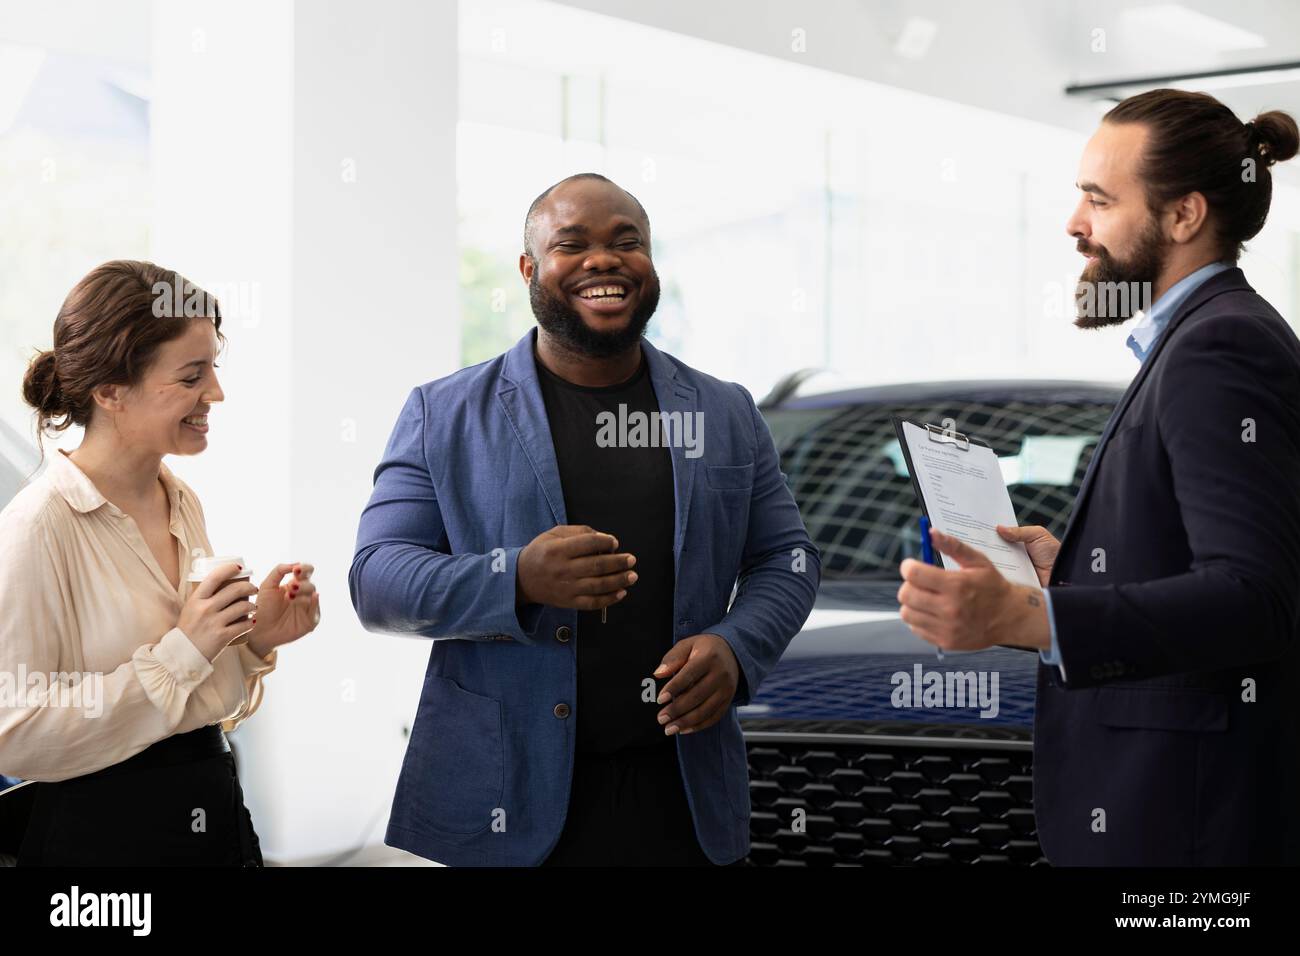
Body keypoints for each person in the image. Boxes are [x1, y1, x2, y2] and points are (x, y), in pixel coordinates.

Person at [350, 173, 819, 866]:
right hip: (506, 802)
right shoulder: (442, 413)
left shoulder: (723, 412)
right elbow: (378, 581)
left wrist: (737, 645)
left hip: (683, 798)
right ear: (529, 268)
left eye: (626, 242)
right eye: (573, 244)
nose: (604, 259)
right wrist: (518, 578)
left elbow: (787, 557)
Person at [895, 90, 1300, 865]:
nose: (1074, 224)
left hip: (1184, 831)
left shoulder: (1220, 349)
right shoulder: (1203, 338)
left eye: (1098, 199)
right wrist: (1065, 578)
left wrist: (1032, 619)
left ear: (1183, 216)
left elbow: (1257, 598)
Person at [0, 260, 321, 865]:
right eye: (191, 376)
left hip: (213, 818)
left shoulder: (180, 499)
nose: (216, 393)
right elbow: (13, 737)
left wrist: (253, 644)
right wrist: (185, 649)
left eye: (214, 370)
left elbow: (191, 704)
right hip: (103, 842)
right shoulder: (36, 528)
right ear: (110, 391)